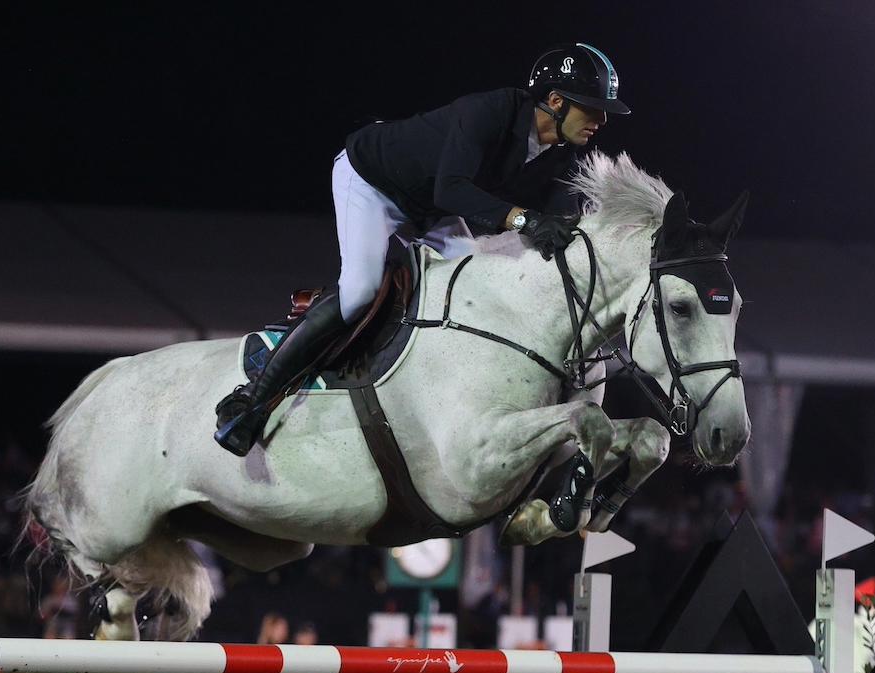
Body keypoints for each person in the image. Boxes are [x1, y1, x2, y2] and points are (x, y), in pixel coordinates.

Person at [214, 43, 630, 457]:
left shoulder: (558, 149)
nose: (602, 118)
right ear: (555, 101)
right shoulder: (489, 112)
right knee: (360, 290)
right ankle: (252, 398)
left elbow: (526, 209)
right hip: (372, 181)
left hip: (428, 205)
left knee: (474, 284)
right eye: (592, 107)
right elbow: (452, 189)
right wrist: (524, 221)